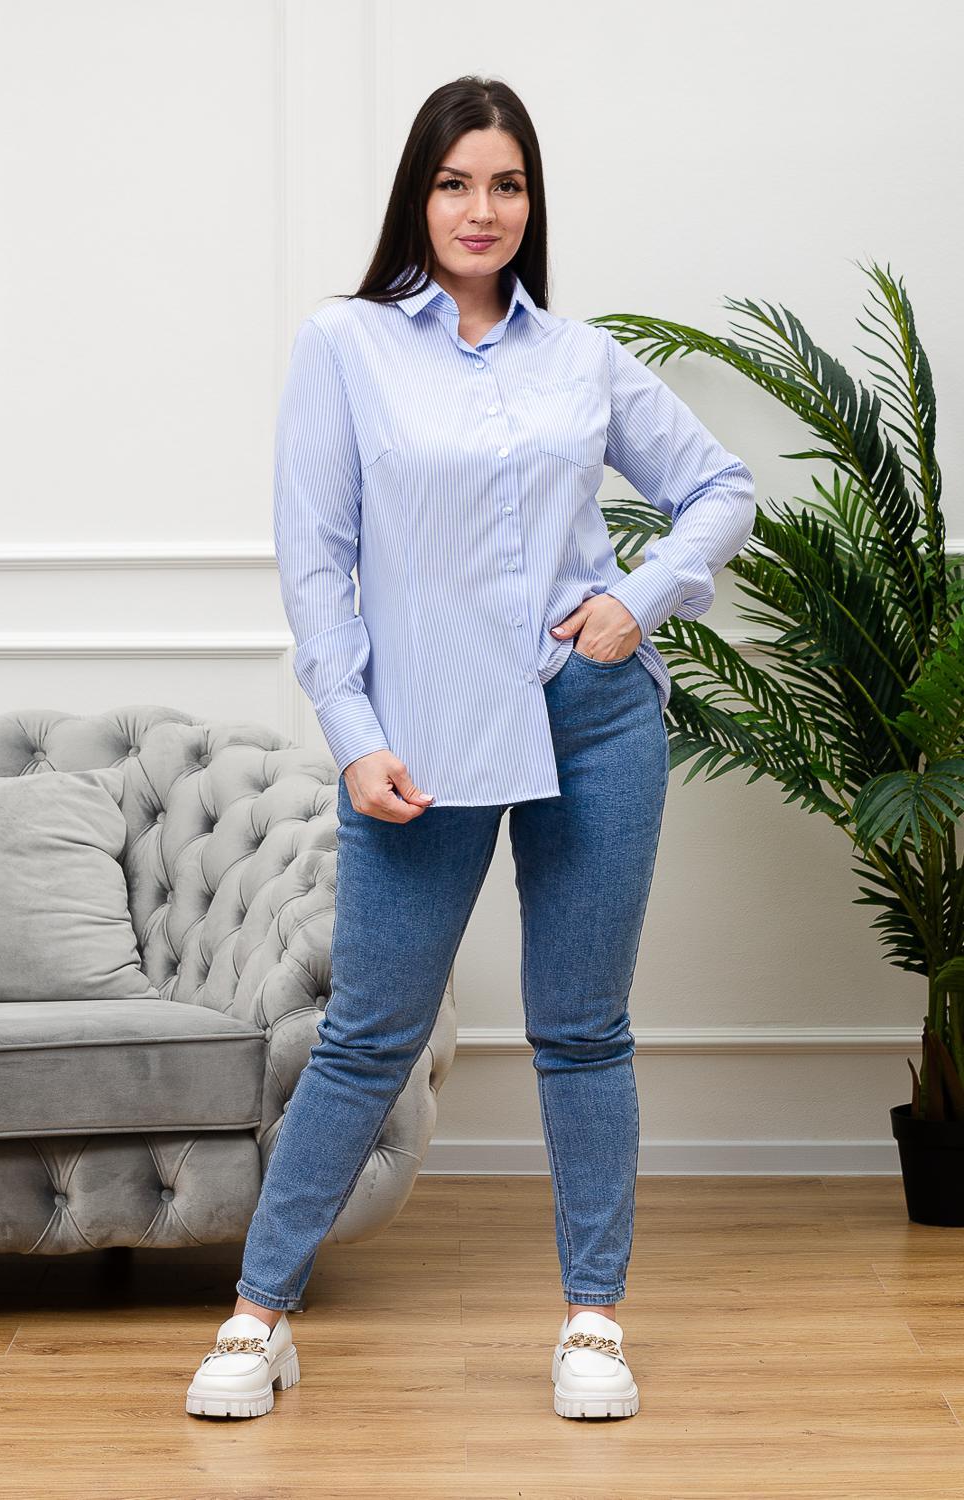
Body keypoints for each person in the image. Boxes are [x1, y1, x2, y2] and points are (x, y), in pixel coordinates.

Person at [187, 74, 755, 1422]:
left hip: (593, 718)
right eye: (455, 183)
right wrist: (354, 738)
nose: (481, 209)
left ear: (532, 202)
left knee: (584, 1030)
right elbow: (317, 564)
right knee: (366, 1036)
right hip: (423, 735)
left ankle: (593, 1320)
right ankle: (258, 1318)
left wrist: (636, 602)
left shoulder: (583, 359)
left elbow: (720, 488)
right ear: (419, 195)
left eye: (506, 184)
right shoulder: (346, 346)